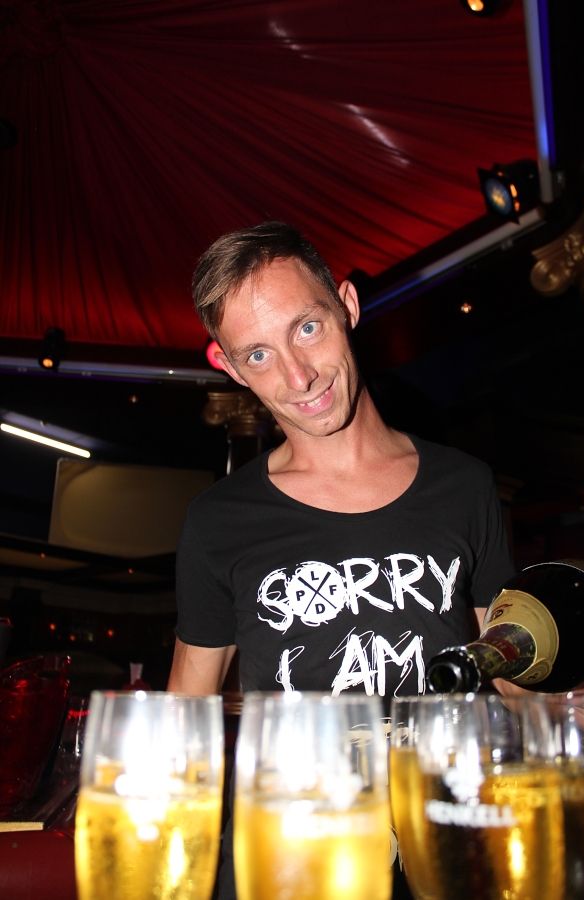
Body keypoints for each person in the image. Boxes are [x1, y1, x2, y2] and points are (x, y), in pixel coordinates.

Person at [167, 221, 515, 898]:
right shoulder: (219, 520)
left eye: (307, 327)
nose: (298, 376)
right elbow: (186, 710)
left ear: (347, 306)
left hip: (445, 849)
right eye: (258, 354)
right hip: (294, 859)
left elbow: (509, 669)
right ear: (232, 369)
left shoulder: (464, 486)